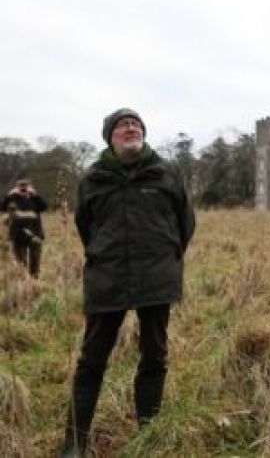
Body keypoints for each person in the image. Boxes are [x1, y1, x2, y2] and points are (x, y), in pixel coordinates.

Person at [60, 108, 195, 457]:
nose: (131, 127)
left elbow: (185, 223)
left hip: (156, 277)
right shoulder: (93, 179)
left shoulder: (166, 173)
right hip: (109, 278)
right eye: (122, 125)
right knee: (92, 360)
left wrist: (165, 253)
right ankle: (75, 441)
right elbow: (84, 226)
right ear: (110, 137)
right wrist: (106, 254)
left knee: (154, 356)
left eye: (136, 123)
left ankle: (147, 435)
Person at [1, 178, 47, 277]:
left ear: (30, 187)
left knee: (35, 261)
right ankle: (23, 282)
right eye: (21, 187)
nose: (23, 189)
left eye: (25, 187)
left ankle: (34, 282)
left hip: (35, 234)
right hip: (18, 234)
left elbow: (44, 207)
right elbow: (2, 208)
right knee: (20, 263)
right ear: (16, 188)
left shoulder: (34, 199)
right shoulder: (12, 199)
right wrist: (9, 196)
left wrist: (35, 195)